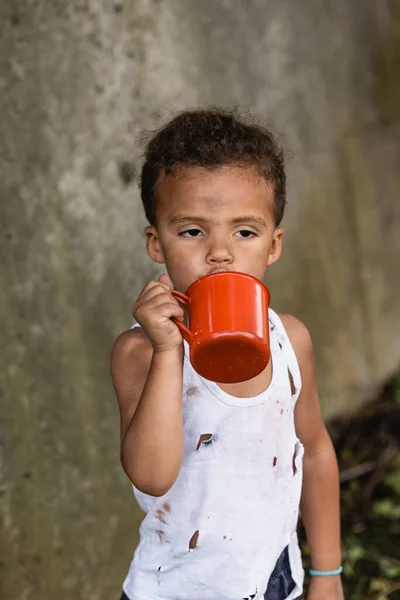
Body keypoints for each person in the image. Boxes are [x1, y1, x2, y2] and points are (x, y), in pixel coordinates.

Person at [110, 108, 344, 600]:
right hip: (178, 588)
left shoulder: (290, 340)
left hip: (275, 580)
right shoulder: (140, 351)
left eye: (245, 231)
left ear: (274, 245)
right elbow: (153, 478)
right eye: (193, 231)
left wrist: (327, 574)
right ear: (156, 242)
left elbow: (316, 451)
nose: (220, 252)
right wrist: (169, 351)